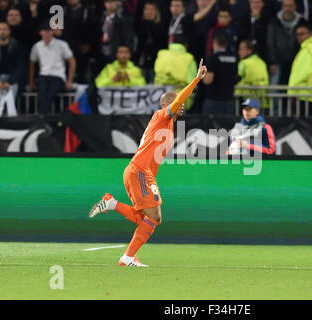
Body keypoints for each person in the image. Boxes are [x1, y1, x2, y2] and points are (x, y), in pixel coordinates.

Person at [88, 59, 208, 267]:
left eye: (182, 107)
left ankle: (112, 204)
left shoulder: (168, 125)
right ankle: (127, 257)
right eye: (177, 105)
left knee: (147, 219)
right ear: (165, 105)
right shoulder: (161, 116)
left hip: (139, 172)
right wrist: (196, 79)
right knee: (155, 217)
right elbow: (178, 101)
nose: (181, 109)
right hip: (140, 171)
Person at [28, 23, 76, 114]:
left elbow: (72, 61)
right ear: (41, 33)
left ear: (52, 32)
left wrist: (69, 80)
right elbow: (31, 64)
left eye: (49, 31)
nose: (47, 34)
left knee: (50, 93)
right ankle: (44, 117)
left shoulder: (62, 45)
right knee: (42, 93)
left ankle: (42, 117)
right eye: (44, 31)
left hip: (58, 76)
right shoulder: (37, 46)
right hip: (43, 76)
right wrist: (31, 82)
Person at [0, 21, 24, 105]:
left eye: (5, 29)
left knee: (11, 95)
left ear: (9, 31)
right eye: (0, 29)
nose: (2, 31)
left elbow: (19, 66)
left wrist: (10, 82)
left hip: (11, 78)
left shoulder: (16, 46)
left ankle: (7, 115)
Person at [266, 0, 306, 85]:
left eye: (290, 6)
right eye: (286, 6)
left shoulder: (301, 22)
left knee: (293, 86)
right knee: (274, 87)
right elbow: (270, 43)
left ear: (295, 7)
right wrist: (272, 62)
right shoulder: (274, 21)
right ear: (282, 7)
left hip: (295, 61)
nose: (288, 8)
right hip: (277, 61)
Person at [202, 33, 238, 115]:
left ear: (214, 43)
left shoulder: (212, 57)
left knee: (210, 127)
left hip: (214, 100)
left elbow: (208, 80)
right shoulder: (234, 58)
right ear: (226, 44)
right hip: (229, 99)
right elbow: (236, 76)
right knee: (227, 127)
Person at [135, 0, 168, 83]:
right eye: (147, 9)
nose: (149, 12)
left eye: (152, 9)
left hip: (157, 64)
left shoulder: (161, 27)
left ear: (156, 11)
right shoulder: (138, 25)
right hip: (141, 63)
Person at [235, 39, 269, 109]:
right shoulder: (262, 62)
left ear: (249, 51)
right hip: (262, 100)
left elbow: (237, 78)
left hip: (247, 100)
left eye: (241, 49)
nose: (239, 52)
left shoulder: (243, 63)